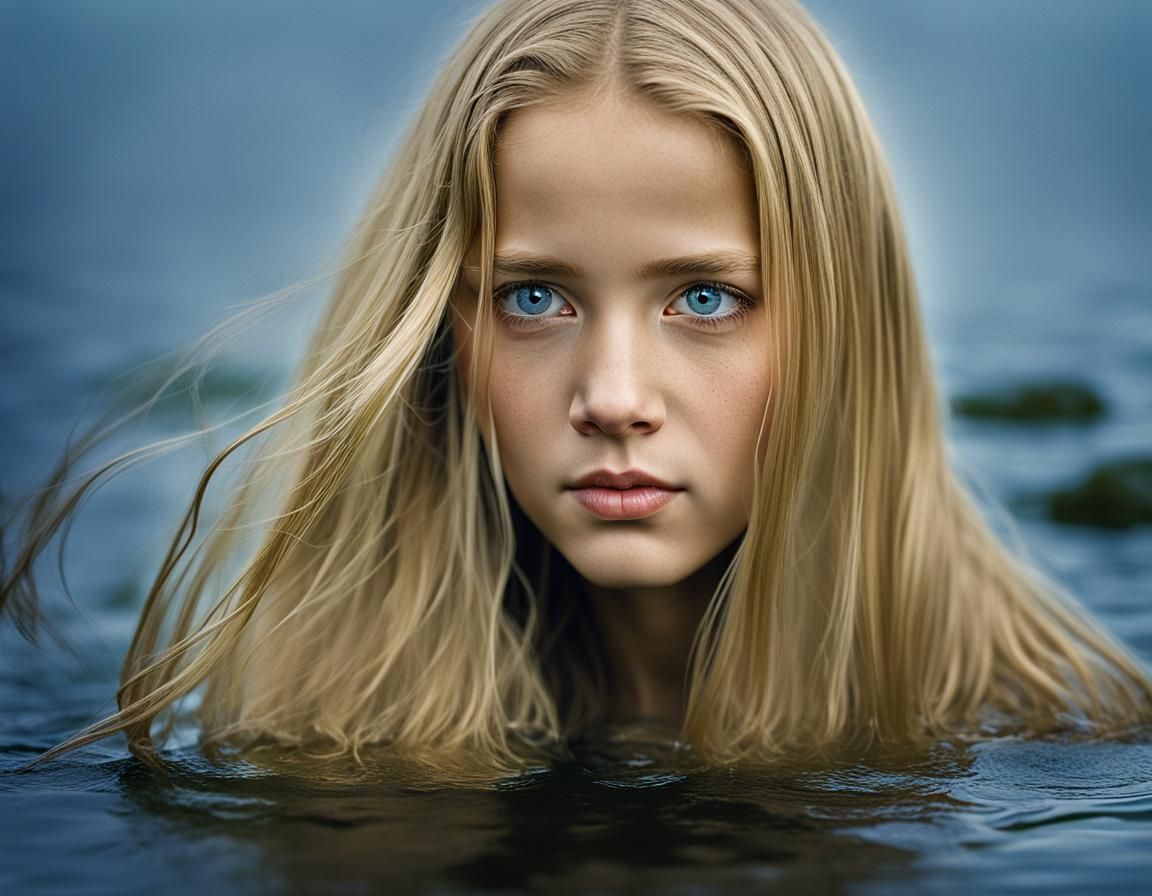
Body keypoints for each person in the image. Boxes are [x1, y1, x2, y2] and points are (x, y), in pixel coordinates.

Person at [4, 0, 1150, 780]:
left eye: (705, 299)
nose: (612, 396)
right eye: (534, 299)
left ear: (851, 333)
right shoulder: (316, 719)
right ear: (441, 326)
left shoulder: (1055, 734)